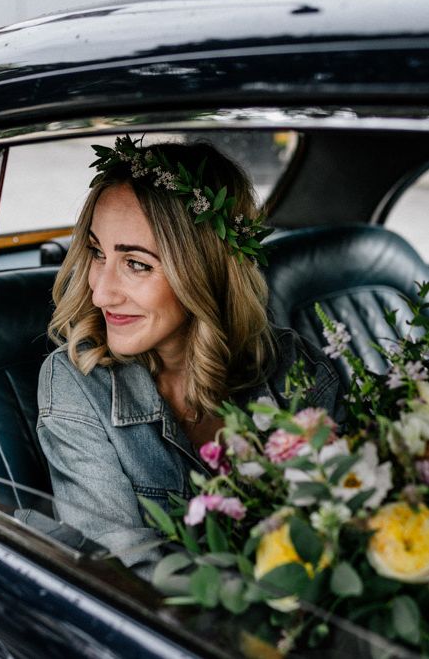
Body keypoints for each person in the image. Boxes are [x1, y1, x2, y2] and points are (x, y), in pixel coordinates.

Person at [37, 136, 342, 573]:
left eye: (137, 264)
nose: (100, 291)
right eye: (96, 253)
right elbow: (124, 577)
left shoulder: (294, 368)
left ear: (204, 270)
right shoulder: (78, 384)